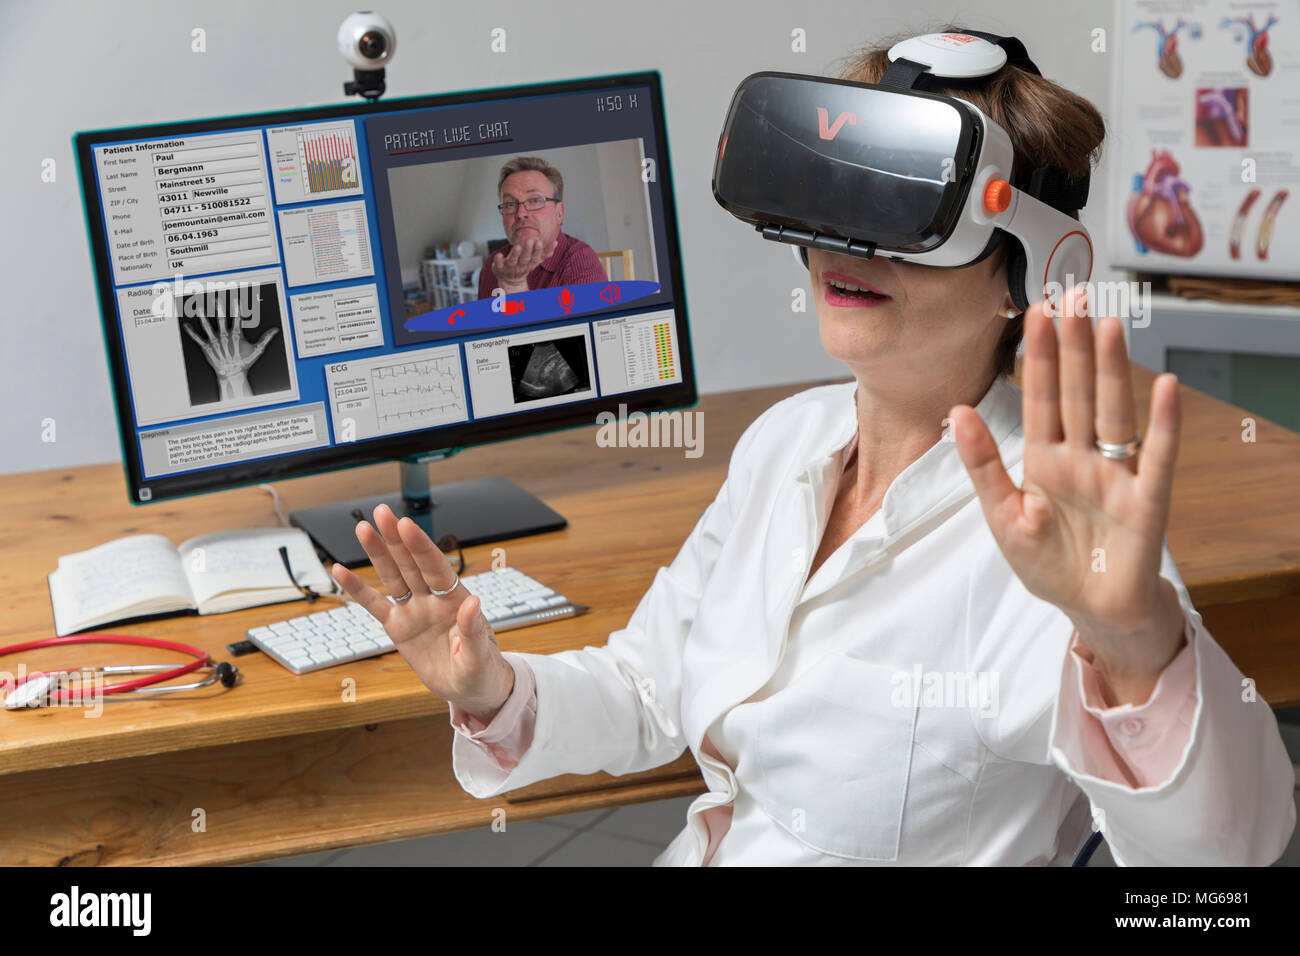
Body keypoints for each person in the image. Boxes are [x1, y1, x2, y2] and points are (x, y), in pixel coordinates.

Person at [330, 31, 1296, 865]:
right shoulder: (789, 439)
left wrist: (1134, 641)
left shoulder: (1063, 538)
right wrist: (491, 687)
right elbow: (649, 686)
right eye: (838, 196)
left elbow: (1224, 863)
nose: (849, 246)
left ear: (1031, 273)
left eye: (906, 215)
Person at [475, 156, 608, 300]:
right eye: (510, 204)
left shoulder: (581, 261)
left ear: (559, 213)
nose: (520, 214)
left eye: (535, 200)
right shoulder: (493, 264)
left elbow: (584, 322)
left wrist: (514, 286)